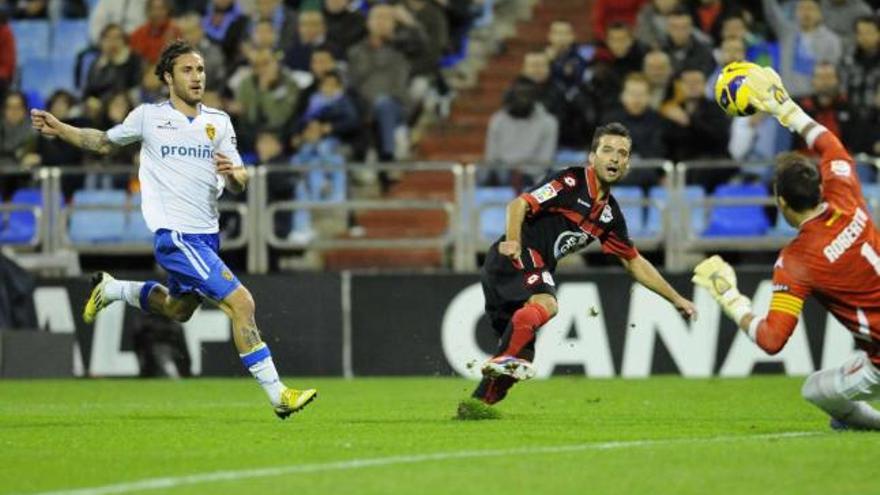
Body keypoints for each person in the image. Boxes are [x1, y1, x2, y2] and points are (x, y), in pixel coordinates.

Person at [30, 41, 317, 419]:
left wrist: (235, 176)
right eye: (187, 70)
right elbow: (102, 142)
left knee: (179, 310)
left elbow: (239, 178)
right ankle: (278, 395)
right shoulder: (148, 117)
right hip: (176, 236)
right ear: (168, 77)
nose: (197, 77)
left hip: (206, 236)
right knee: (242, 303)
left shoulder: (219, 121)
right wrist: (62, 128)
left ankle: (114, 288)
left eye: (200, 70)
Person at [692, 65, 880, 430]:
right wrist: (784, 108)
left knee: (815, 390)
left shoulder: (797, 261)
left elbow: (772, 339)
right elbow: (830, 144)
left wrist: (730, 297)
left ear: (782, 204)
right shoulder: (846, 195)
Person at [468, 123, 697, 408]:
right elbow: (518, 205)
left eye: (622, 153)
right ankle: (502, 359)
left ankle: (476, 406)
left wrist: (676, 299)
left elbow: (634, 262)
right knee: (547, 304)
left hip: (523, 271)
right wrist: (514, 242)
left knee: (522, 359)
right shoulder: (570, 182)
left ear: (627, 164)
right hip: (513, 258)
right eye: (607, 150)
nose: (614, 158)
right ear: (592, 156)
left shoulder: (610, 216)